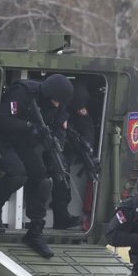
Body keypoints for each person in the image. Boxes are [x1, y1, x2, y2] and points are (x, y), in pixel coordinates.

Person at [0, 73, 75, 257]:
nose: (58, 105)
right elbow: (2, 120)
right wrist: (29, 126)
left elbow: (60, 129)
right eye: (56, 101)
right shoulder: (24, 92)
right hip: (4, 139)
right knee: (17, 174)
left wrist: (55, 151)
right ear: (49, 94)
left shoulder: (60, 104)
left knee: (44, 180)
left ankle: (35, 232)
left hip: (25, 143)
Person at [50, 80, 96, 229]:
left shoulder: (78, 114)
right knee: (59, 180)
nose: (82, 108)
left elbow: (86, 136)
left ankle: (61, 217)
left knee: (62, 181)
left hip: (65, 148)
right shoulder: (58, 110)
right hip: (50, 149)